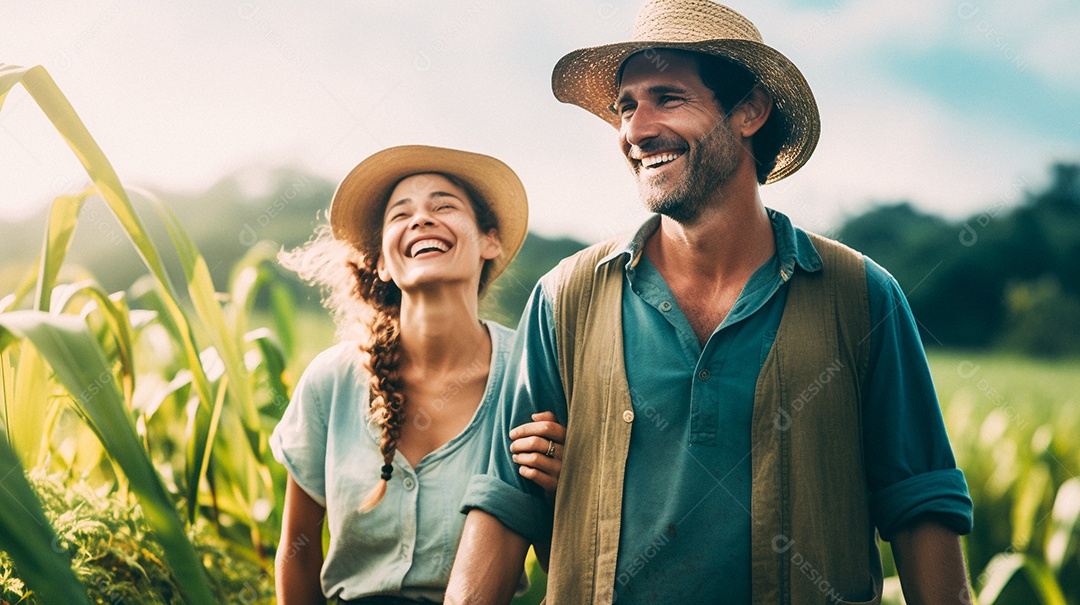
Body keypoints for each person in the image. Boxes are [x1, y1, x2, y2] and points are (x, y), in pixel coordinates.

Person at [447, 1, 974, 604]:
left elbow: (921, 505)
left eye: (668, 98)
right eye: (626, 105)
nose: (635, 131)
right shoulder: (565, 297)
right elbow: (502, 504)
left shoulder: (859, 295)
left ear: (749, 110)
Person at [270, 145, 564, 604]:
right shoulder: (331, 380)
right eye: (400, 214)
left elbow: (561, 564)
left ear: (491, 241)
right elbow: (296, 552)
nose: (421, 219)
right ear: (382, 263)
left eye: (444, 205)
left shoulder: (531, 374)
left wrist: (556, 494)